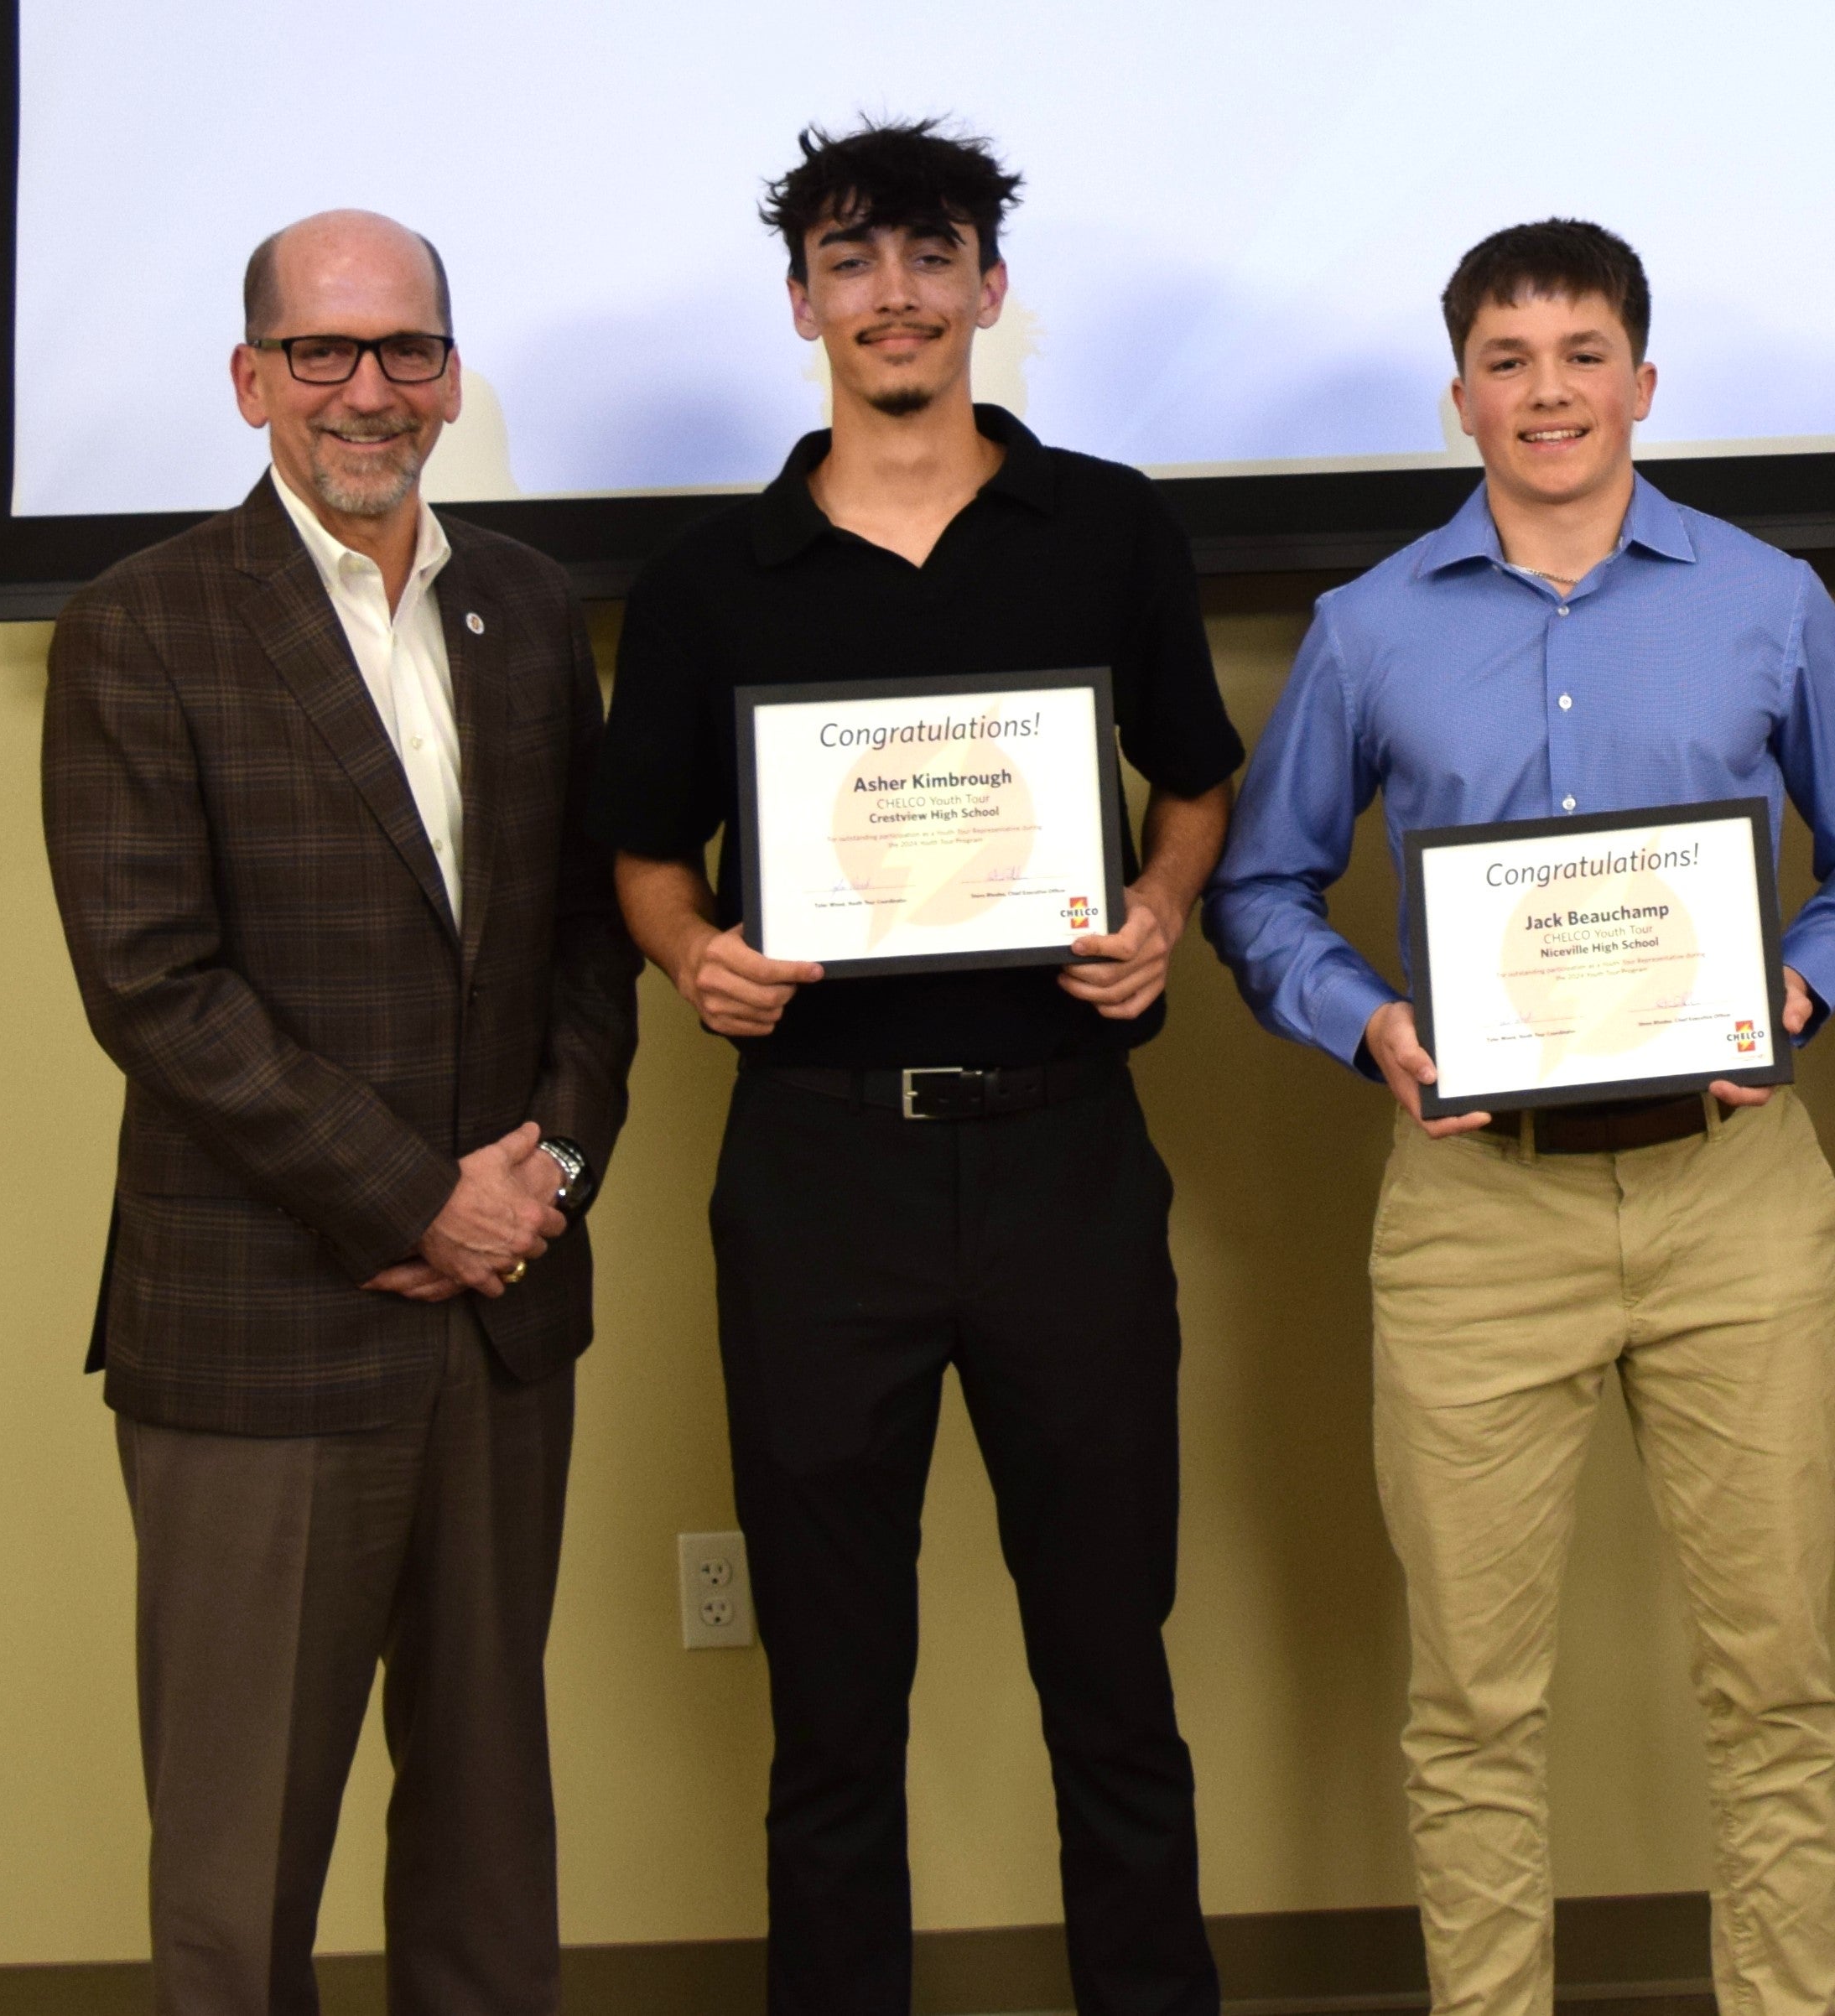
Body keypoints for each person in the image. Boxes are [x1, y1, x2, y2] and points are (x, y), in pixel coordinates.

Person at [1207, 218, 1835, 2016]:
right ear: (1460, 388)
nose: (1551, 391)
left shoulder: (1767, 598)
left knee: (1775, 1686)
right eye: (1512, 359)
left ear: (1645, 379)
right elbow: (1261, 889)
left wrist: (1802, 982)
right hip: (1476, 1214)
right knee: (1472, 1700)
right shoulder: (1367, 628)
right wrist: (1364, 1016)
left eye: (1586, 352)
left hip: (1735, 1195)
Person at [589, 122, 1243, 2016]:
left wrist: (1162, 908)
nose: (893, 294)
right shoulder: (715, 572)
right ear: (802, 302)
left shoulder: (1113, 527)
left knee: (1114, 1671)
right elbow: (643, 852)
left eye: (928, 256)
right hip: (817, 1172)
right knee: (830, 1698)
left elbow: (1193, 781)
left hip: (1064, 1157)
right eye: (852, 260)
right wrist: (692, 952)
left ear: (987, 290)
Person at [40, 210, 641, 2016]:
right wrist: (410, 1201)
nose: (367, 391)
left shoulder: (527, 609)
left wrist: (544, 1179)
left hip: (503, 1321)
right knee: (241, 1868)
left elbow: (584, 944)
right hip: (265, 1335)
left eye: (406, 351)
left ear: (453, 379)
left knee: (485, 1843)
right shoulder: (139, 627)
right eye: (323, 352)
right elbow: (155, 983)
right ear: (253, 382)